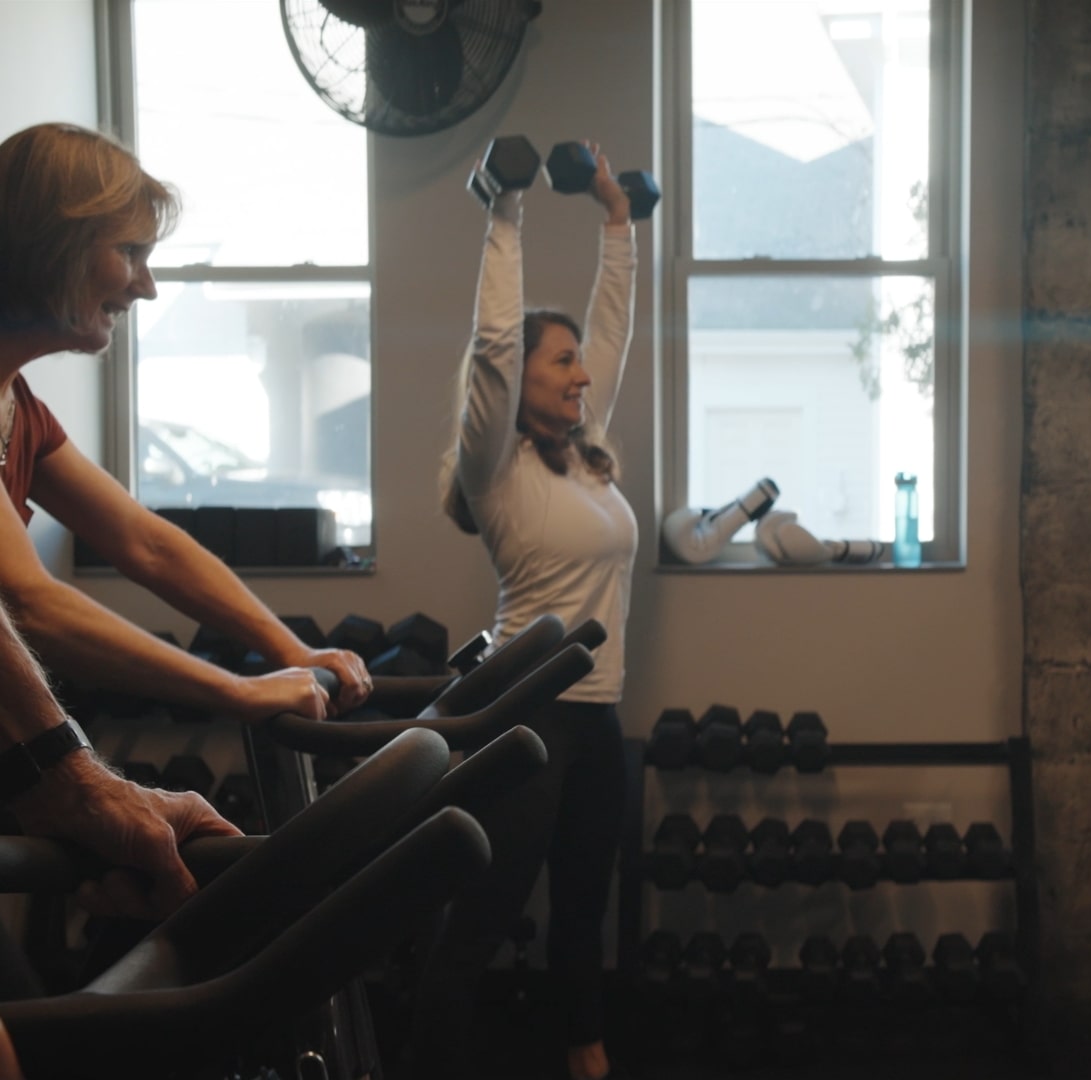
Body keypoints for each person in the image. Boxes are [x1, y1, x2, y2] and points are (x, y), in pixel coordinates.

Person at [0, 122, 372, 729]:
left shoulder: (20, 408)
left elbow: (143, 541)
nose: (145, 287)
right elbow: (26, 602)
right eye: (129, 254)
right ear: (56, 246)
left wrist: (290, 651)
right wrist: (239, 691)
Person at [419, 141, 637, 1080]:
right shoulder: (495, 469)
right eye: (563, 364)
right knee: (490, 905)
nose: (582, 376)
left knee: (585, 901)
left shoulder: (587, 458)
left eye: (579, 365)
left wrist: (617, 222)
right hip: (527, 711)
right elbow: (496, 345)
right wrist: (502, 213)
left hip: (598, 712)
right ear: (523, 384)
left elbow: (614, 332)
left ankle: (583, 1049)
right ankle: (430, 1059)